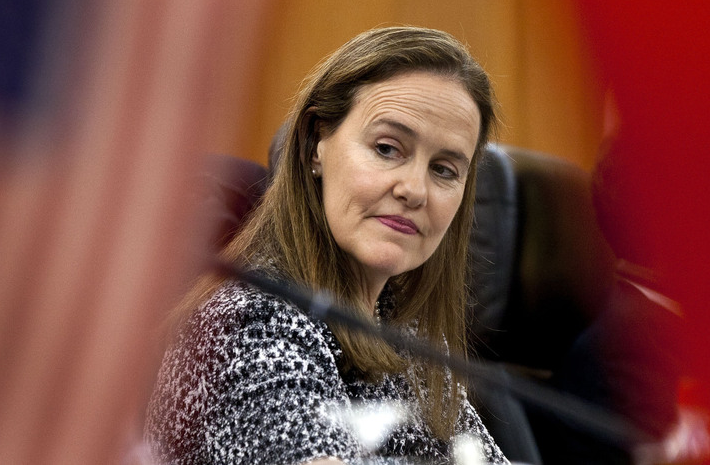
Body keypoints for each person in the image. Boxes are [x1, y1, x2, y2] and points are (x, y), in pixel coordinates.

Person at [145, 26, 507, 465]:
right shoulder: (250, 323)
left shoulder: (401, 327)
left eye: (445, 170)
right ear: (316, 143)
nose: (415, 189)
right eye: (388, 148)